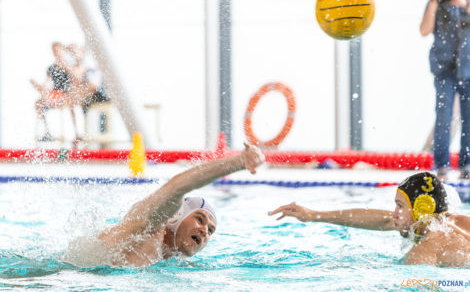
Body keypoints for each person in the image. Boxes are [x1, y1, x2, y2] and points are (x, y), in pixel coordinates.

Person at [63, 143, 265, 267]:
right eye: (199, 219)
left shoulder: (174, 260)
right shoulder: (148, 225)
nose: (205, 231)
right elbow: (177, 187)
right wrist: (237, 163)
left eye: (211, 230)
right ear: (176, 216)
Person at [269, 172, 470, 266]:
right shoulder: (453, 221)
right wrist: (313, 215)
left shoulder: (428, 245)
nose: (394, 213)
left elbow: (418, 284)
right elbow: (384, 219)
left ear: (422, 208)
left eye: (400, 205)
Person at [420, 0, 470, 180]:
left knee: (469, 119)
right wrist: (433, 2)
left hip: (467, 69)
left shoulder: (466, 1)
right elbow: (424, 31)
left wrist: (463, 4)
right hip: (444, 70)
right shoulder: (435, 3)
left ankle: (467, 165)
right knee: (443, 117)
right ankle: (442, 166)